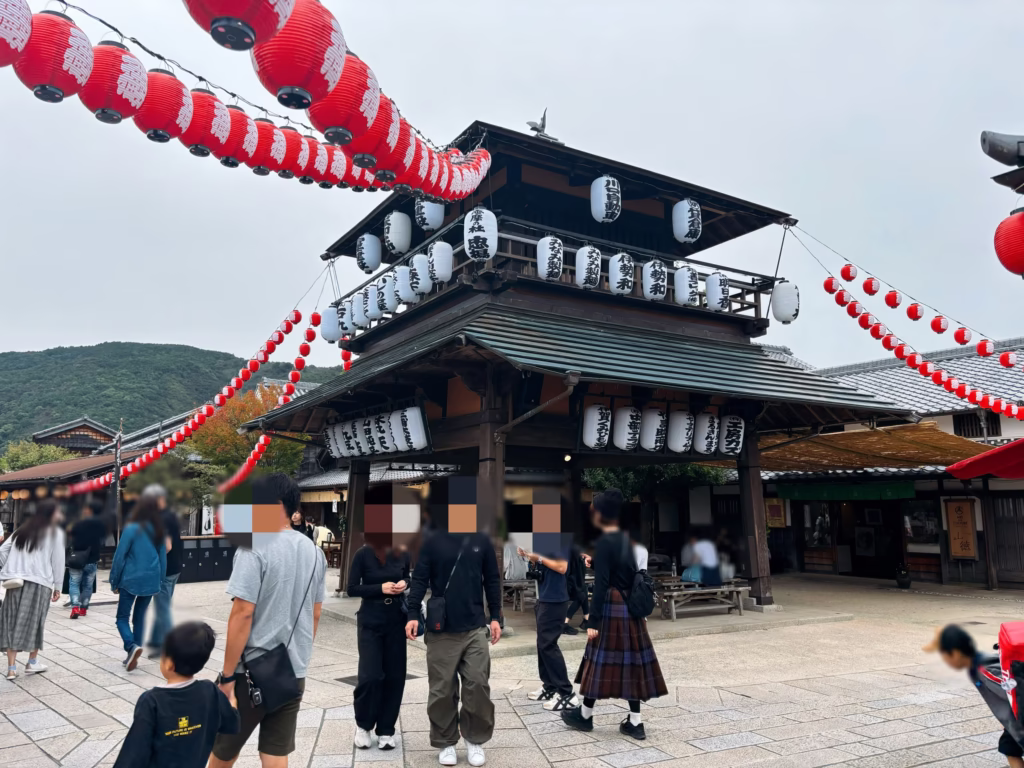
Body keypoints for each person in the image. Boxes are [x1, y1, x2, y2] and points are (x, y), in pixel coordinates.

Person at [210, 472, 327, 768]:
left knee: (223, 749)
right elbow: (315, 613)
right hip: (291, 671)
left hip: (250, 673)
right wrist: (296, 657)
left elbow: (242, 613)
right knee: (276, 752)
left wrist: (226, 678)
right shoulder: (315, 553)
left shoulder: (254, 546)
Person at [561, 489, 667, 740]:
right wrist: (596, 561)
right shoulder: (622, 538)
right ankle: (635, 722)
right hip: (628, 606)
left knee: (599, 660)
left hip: (611, 605)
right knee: (630, 663)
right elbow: (625, 571)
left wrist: (592, 620)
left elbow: (601, 585)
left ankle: (585, 716)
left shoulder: (606, 541)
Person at [405, 517, 502, 767]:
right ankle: (446, 741)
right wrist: (413, 613)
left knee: (478, 684)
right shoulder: (433, 540)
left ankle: (474, 738)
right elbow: (419, 579)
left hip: (474, 627)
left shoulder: (482, 540)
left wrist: (496, 617)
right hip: (441, 629)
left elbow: (492, 579)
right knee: (441, 690)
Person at [113, 621, 239, 768]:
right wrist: (232, 702)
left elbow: (134, 751)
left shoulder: (152, 701)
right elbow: (231, 724)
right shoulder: (210, 691)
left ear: (169, 664)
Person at [925, 625, 1024, 767]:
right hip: (1014, 719)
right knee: (1009, 748)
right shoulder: (977, 664)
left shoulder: (983, 669)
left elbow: (1013, 690)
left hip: (1020, 719)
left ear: (956, 654)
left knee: (1010, 748)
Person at [347, 537, 410, 751]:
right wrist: (380, 588)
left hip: (396, 621)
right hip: (371, 621)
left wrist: (404, 583)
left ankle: (386, 730)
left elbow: (407, 577)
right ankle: (363, 725)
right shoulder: (363, 554)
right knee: (370, 675)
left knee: (395, 676)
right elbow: (352, 588)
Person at [0, 500, 65, 679]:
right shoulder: (56, 532)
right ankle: (32, 662)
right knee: (35, 622)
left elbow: (2, 551)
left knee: (11, 621)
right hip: (40, 583)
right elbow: (58, 561)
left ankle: (11, 668)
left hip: (15, 582)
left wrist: (11, 568)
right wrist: (58, 586)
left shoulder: (21, 530)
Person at [520, 531, 579, 712]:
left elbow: (562, 567)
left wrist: (539, 558)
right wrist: (529, 556)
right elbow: (542, 565)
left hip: (555, 599)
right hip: (545, 596)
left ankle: (567, 693)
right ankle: (549, 686)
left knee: (548, 644)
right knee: (542, 643)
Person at [111, 496, 166, 672]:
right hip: (151, 579)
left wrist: (114, 580)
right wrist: (161, 579)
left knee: (122, 618)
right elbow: (163, 557)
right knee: (140, 617)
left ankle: (131, 646)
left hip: (131, 578)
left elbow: (120, 556)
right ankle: (134, 652)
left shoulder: (132, 528)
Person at [141, 485, 183, 659]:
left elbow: (166, 546)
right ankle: (156, 641)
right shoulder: (171, 516)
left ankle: (169, 647)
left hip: (164, 570)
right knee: (162, 605)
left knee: (162, 608)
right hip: (175, 568)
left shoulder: (161, 519)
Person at [68, 500, 107, 618]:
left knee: (74, 583)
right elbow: (103, 541)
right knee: (88, 585)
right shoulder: (102, 525)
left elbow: (71, 535)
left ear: (90, 510)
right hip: (92, 559)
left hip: (77, 559)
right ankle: (83, 609)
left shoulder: (79, 523)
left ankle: (75, 607)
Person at [563, 544, 589, 635]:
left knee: (583, 591)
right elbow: (571, 575)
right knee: (582, 594)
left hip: (573, 582)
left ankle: (587, 619)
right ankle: (564, 622)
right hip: (567, 584)